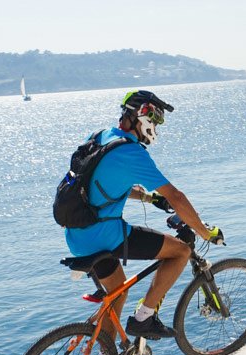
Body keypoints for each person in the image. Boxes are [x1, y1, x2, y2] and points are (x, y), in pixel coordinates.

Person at [65, 90, 223, 340]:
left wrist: (149, 197)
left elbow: (99, 186)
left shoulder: (99, 138)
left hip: (76, 234)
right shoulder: (132, 153)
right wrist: (205, 233)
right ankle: (144, 318)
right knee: (181, 251)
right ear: (143, 117)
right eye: (156, 121)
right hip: (105, 235)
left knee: (117, 292)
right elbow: (176, 197)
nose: (157, 128)